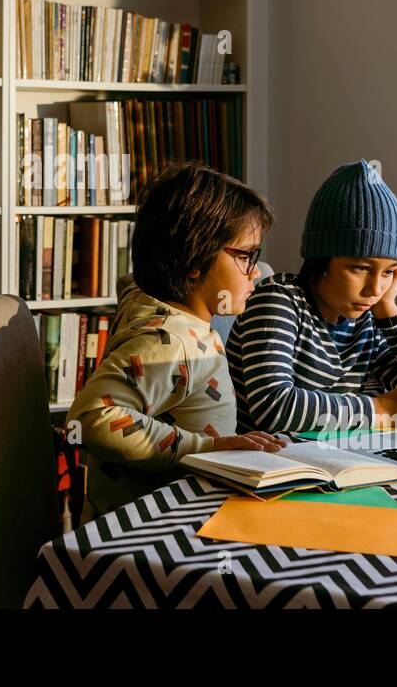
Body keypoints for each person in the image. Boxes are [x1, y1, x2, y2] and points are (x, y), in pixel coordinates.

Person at [67, 162, 280, 523]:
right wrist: (209, 448)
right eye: (246, 257)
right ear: (193, 262)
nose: (255, 272)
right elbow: (90, 418)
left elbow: (131, 280)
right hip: (153, 528)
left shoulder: (147, 301)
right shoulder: (170, 341)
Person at [227, 159, 397, 435]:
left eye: (389, 272)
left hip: (340, 462)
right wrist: (382, 408)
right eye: (361, 268)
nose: (375, 289)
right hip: (271, 468)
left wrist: (390, 311)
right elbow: (274, 407)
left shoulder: (369, 319)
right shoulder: (276, 300)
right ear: (321, 259)